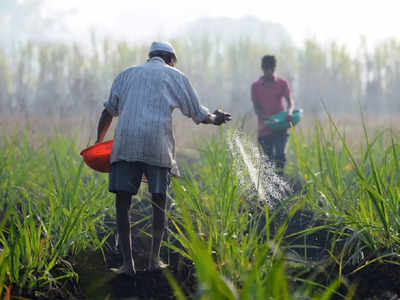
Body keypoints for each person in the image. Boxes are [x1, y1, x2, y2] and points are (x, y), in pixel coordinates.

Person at [95, 41, 232, 275]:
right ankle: (154, 260)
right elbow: (197, 112)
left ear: (150, 57)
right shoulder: (175, 76)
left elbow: (109, 111)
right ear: (171, 60)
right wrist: (214, 117)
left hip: (126, 142)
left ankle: (128, 265)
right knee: (159, 201)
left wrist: (98, 143)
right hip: (157, 145)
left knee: (122, 204)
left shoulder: (126, 74)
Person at [251, 55, 294, 174]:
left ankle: (280, 186)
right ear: (262, 68)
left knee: (280, 157)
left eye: (271, 69)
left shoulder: (282, 83)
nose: (269, 72)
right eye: (266, 69)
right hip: (264, 129)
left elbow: (290, 102)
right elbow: (256, 109)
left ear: (274, 68)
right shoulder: (256, 86)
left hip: (281, 128)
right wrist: (268, 119)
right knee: (266, 163)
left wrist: (289, 112)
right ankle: (268, 190)